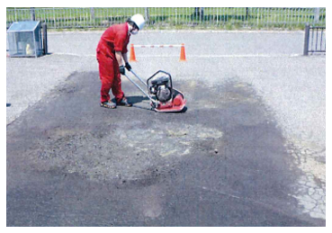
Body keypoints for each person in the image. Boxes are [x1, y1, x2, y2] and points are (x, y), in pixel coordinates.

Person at [96, 14, 145, 109]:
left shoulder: (127, 33)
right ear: (134, 25)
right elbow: (118, 51)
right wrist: (120, 65)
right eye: (137, 28)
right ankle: (104, 100)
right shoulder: (122, 32)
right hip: (105, 52)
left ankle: (119, 97)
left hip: (113, 51)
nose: (136, 31)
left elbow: (124, 50)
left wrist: (126, 63)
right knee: (108, 78)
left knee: (117, 77)